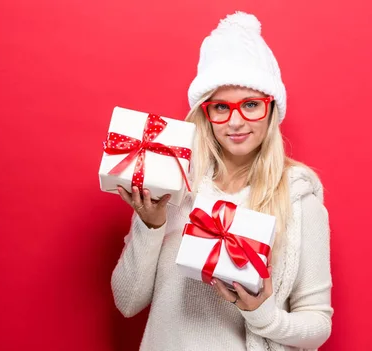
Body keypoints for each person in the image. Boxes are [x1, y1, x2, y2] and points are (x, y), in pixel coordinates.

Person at [111, 11, 333, 351]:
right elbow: (127, 302)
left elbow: (318, 323)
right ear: (206, 113)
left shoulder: (299, 200)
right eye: (221, 108)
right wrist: (151, 225)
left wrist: (262, 313)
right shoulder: (174, 183)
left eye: (251, 105)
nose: (236, 122)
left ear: (272, 110)